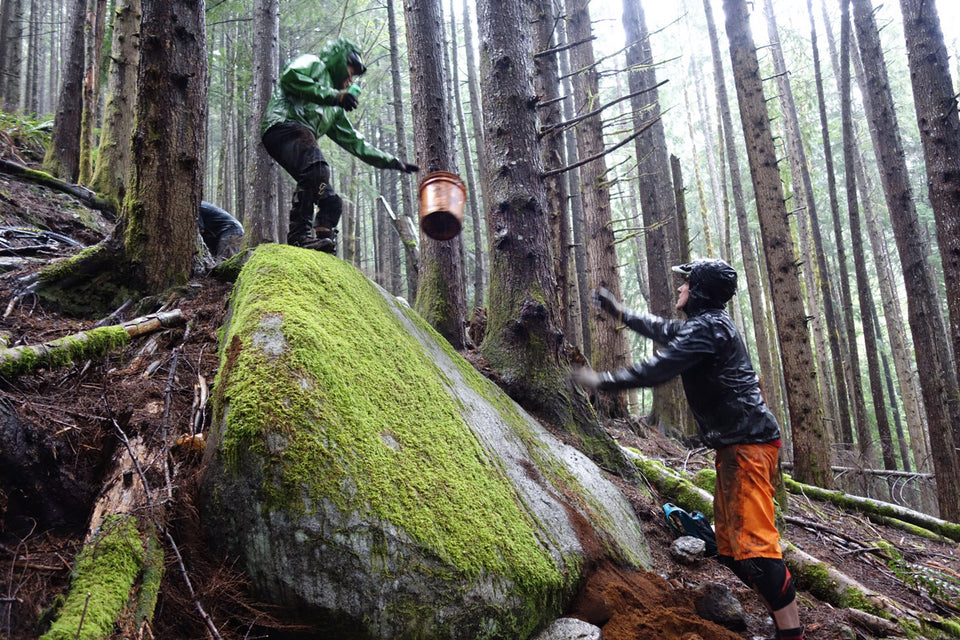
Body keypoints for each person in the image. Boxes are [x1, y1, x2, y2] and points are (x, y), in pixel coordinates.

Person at [573, 258, 803, 640]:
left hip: (748, 446)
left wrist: (602, 380)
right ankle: (781, 625)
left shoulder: (709, 328)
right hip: (737, 447)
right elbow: (663, 330)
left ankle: (791, 634)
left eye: (685, 283)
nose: (679, 288)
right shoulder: (706, 326)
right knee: (732, 552)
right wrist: (621, 313)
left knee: (757, 549)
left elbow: (660, 367)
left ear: (698, 291)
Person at [261, 38, 419, 253]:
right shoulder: (314, 64)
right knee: (317, 169)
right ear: (338, 60)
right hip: (282, 126)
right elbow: (291, 77)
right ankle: (299, 237)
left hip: (298, 138)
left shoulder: (334, 110)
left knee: (330, 199)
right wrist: (335, 96)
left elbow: (355, 142)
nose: (350, 78)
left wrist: (393, 162)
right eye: (350, 70)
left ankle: (324, 243)